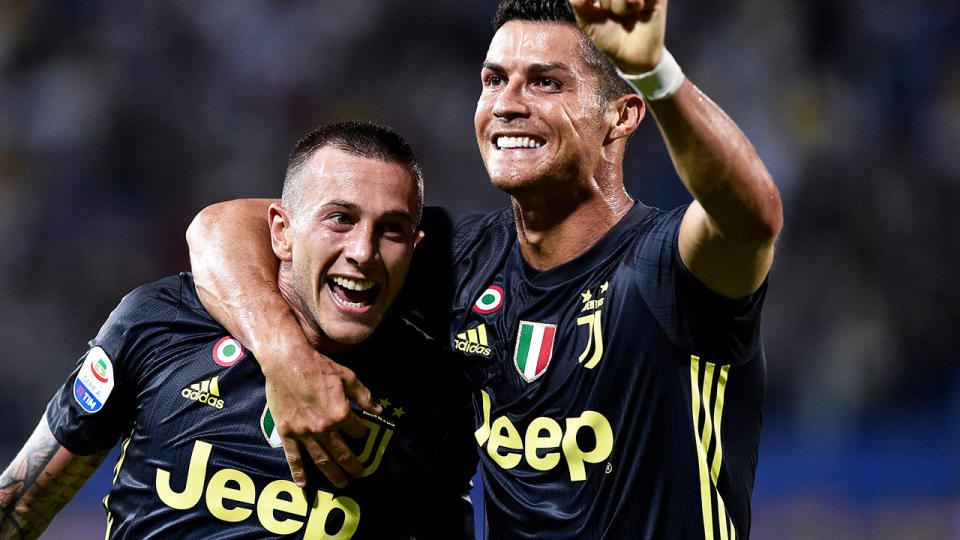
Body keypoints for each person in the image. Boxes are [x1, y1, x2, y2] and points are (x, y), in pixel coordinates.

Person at [187, 0, 783, 538]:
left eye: (545, 83)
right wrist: (284, 354)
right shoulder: (454, 257)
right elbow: (220, 228)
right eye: (494, 80)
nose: (506, 104)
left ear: (623, 116)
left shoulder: (665, 267)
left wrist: (656, 73)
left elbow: (752, 216)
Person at [0, 121, 476, 539]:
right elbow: (22, 502)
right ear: (281, 232)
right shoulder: (161, 322)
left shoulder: (437, 395)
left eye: (391, 229)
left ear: (415, 247)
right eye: (340, 219)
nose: (363, 251)